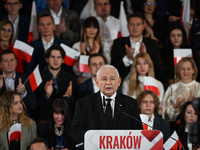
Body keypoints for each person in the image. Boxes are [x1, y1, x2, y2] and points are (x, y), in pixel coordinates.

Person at [70, 65, 143, 144]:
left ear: (119, 82)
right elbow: (75, 132)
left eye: (112, 79)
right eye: (104, 79)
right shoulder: (84, 104)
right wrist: (96, 139)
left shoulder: (131, 104)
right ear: (97, 82)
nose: (108, 83)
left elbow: (138, 133)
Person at [111, 13, 164, 82]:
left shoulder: (153, 44)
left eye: (138, 24)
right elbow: (113, 69)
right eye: (132, 24)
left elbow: (160, 70)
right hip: (124, 83)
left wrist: (146, 58)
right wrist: (127, 58)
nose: (135, 27)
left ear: (144, 26)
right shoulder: (118, 43)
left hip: (147, 82)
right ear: (127, 26)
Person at [34, 45, 77, 123]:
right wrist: (46, 95)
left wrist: (70, 97)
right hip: (44, 120)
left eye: (59, 57)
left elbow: (74, 107)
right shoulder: (37, 77)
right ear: (47, 59)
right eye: (52, 57)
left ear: (63, 60)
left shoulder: (71, 78)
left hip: (65, 121)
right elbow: (34, 106)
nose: (55, 60)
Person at [72, 16, 110, 83]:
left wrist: (95, 55)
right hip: (83, 81)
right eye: (89, 27)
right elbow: (76, 72)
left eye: (95, 27)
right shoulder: (77, 46)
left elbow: (107, 67)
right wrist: (83, 54)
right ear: (84, 29)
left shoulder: (104, 46)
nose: (92, 30)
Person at [0, 50, 37, 117]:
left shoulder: (25, 78)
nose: (10, 64)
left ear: (16, 62)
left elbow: (33, 105)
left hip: (22, 118)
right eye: (6, 61)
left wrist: (23, 93)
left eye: (12, 60)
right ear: (0, 64)